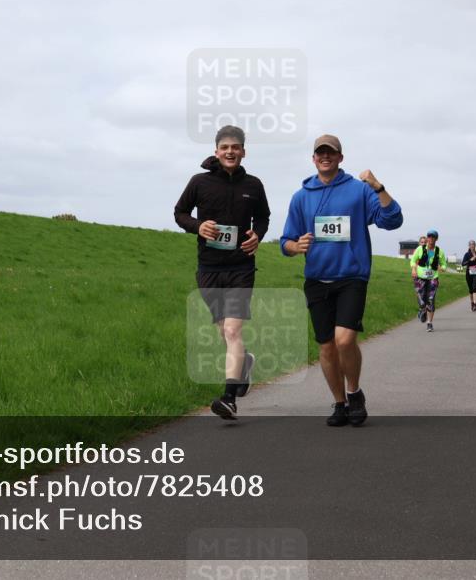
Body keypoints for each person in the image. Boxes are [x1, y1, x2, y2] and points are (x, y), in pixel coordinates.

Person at [280, 134, 403, 427]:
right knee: (326, 347)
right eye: (320, 153)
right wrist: (296, 247)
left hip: (351, 276)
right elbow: (286, 240)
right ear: (313, 159)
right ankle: (339, 403)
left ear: (340, 157)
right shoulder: (301, 197)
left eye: (331, 153)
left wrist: (379, 187)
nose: (325, 157)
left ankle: (354, 392)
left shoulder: (358, 191)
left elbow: (392, 220)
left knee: (345, 339)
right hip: (316, 279)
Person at [174, 125, 270, 421]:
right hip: (209, 269)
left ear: (243, 151)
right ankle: (245, 362)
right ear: (216, 151)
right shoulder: (199, 182)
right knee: (223, 331)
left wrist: (258, 235)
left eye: (236, 147)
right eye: (225, 147)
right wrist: (197, 226)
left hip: (241, 267)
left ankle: (229, 399)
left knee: (232, 330)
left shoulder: (253, 185)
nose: (230, 152)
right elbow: (179, 212)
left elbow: (263, 217)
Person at [410, 229, 448, 332]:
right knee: (421, 299)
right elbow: (413, 260)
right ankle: (422, 309)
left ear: (436, 239)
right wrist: (413, 269)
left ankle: (429, 323)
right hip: (420, 278)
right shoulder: (420, 249)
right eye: (429, 236)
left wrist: (442, 268)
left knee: (431, 299)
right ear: (427, 238)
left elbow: (444, 264)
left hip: (433, 278)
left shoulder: (439, 251)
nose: (431, 238)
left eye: (433, 237)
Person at [461, 240, 476, 311]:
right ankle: (472, 303)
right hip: (469, 273)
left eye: (473, 244)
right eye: (470, 244)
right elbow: (463, 264)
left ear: (475, 245)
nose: (472, 246)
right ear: (469, 246)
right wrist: (470, 260)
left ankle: (475, 304)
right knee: (471, 290)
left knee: (474, 288)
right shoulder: (467, 254)